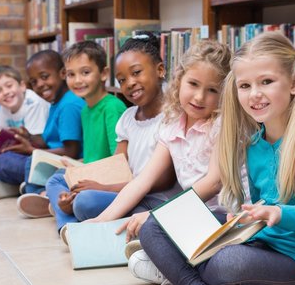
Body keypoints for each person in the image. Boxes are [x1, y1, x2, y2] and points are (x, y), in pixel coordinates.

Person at [131, 31, 295, 285]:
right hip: (260, 243)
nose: (254, 94)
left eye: (266, 82)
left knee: (226, 263)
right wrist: (246, 221)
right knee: (156, 224)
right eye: (245, 86)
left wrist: (281, 214)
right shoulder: (255, 143)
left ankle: (178, 275)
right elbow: (261, 208)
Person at [86, 39, 231, 249]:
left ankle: (152, 252)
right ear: (179, 80)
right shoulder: (172, 125)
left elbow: (212, 184)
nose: (199, 97)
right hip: (187, 209)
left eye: (212, 90)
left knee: (152, 225)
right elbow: (143, 180)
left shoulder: (222, 125)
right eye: (193, 84)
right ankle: (138, 245)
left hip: (220, 216)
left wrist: (158, 215)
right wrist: (101, 220)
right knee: (120, 215)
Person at [49, 33, 177, 233]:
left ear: (160, 70)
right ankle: (68, 221)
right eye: (122, 80)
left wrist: (101, 188)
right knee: (60, 180)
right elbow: (116, 166)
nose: (130, 83)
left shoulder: (172, 117)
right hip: (125, 191)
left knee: (86, 202)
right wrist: (89, 184)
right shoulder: (127, 118)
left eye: (136, 73)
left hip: (153, 198)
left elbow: (164, 181)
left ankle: (72, 222)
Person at [43, 40, 127, 228]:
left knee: (84, 201)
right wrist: (77, 165)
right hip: (91, 176)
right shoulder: (85, 110)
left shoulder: (112, 108)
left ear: (104, 73)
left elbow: (119, 161)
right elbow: (93, 156)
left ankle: (64, 213)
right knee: (56, 178)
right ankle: (66, 217)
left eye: (85, 72)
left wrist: (87, 176)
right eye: (71, 74)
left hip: (108, 184)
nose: (78, 80)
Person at [14, 50, 85, 218]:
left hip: (72, 161)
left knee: (30, 160)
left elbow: (71, 151)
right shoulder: (56, 103)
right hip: (59, 158)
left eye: (44, 77)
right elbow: (50, 139)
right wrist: (29, 137)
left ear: (62, 74)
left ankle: (43, 195)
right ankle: (39, 193)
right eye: (34, 81)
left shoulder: (68, 105)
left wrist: (32, 150)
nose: (39, 85)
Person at [0, 66, 50, 200]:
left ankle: (5, 180)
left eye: (9, 86)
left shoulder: (33, 103)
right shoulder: (5, 107)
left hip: (39, 155)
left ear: (22, 86)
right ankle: (12, 182)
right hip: (22, 153)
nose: (5, 92)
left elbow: (39, 144)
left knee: (4, 161)